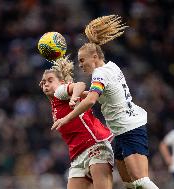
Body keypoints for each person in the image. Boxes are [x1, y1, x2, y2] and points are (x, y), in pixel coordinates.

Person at [52, 15, 159, 189]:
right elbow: (99, 93)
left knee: (141, 182)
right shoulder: (112, 67)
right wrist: (74, 95)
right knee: (130, 184)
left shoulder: (99, 74)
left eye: (82, 60)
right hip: (122, 131)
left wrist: (67, 118)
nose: (80, 65)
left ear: (94, 56)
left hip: (130, 129)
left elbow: (91, 100)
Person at [40, 56, 114, 189]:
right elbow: (86, 93)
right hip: (78, 156)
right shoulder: (56, 104)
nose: (45, 84)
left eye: (50, 80)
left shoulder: (60, 92)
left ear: (62, 82)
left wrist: (74, 96)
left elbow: (80, 85)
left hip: (94, 147)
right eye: (43, 82)